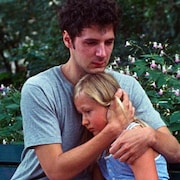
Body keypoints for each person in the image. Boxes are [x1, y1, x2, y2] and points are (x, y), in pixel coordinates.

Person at [11, 0, 180, 179]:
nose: (102, 53)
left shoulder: (125, 86)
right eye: (91, 43)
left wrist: (149, 135)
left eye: (108, 42)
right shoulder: (41, 89)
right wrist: (113, 129)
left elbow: (175, 151)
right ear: (68, 40)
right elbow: (56, 171)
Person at [74, 72, 169, 180]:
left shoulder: (133, 140)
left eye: (88, 111)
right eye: (81, 114)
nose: (84, 121)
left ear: (110, 106)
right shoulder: (101, 144)